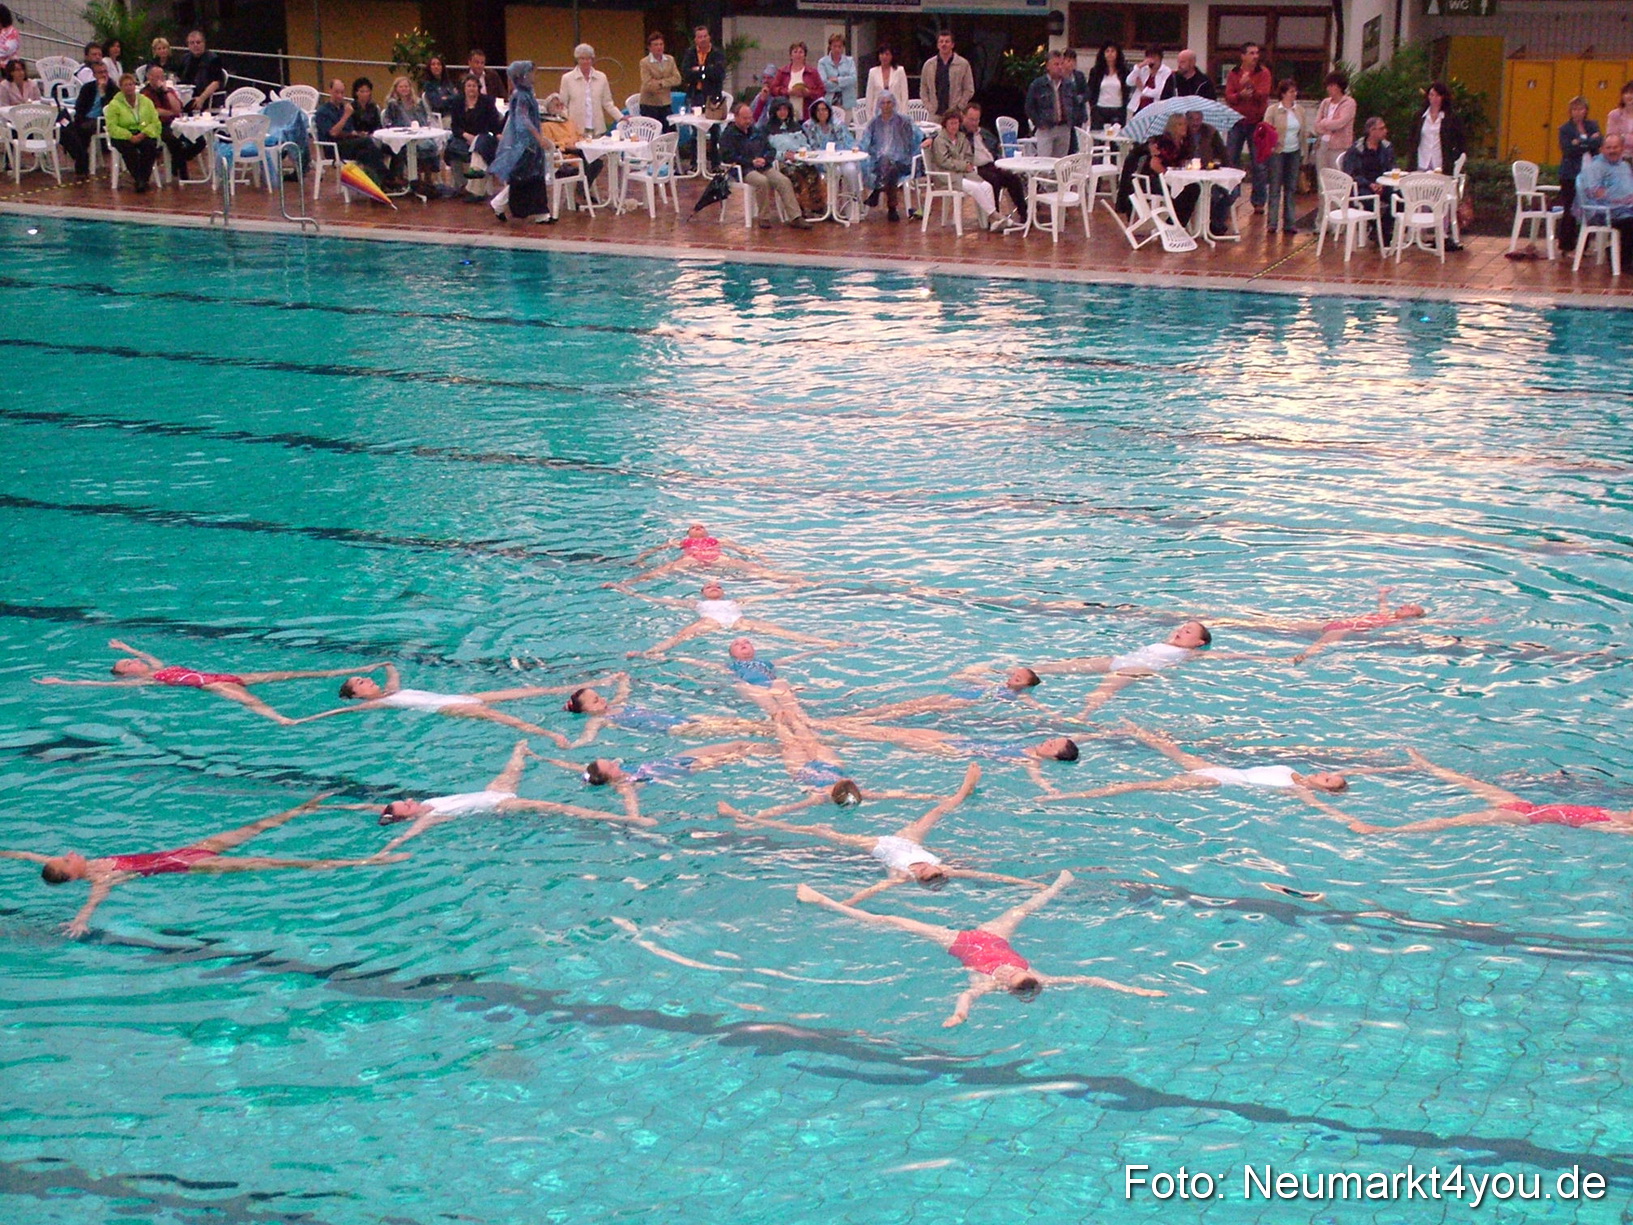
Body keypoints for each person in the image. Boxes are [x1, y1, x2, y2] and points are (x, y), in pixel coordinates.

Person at [1, 794, 404, 938]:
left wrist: (11, 854)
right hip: (188, 866)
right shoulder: (102, 877)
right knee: (276, 861)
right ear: (71, 873)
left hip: (189, 850)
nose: (70, 851)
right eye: (67, 858)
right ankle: (367, 860)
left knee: (256, 827)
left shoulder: (87, 866)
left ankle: (304, 810)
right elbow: (94, 900)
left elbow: (32, 857)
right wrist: (81, 920)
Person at [797, 871, 1162, 1026]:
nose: (1011, 970)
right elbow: (1089, 979)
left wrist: (959, 1016)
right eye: (1016, 970)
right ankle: (1059, 884)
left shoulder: (987, 985)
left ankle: (822, 901)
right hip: (994, 935)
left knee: (893, 920)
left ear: (1005, 986)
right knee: (1025, 908)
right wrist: (1135, 989)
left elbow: (966, 997)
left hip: (959, 942)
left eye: (1010, 975)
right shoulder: (1037, 977)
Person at [722, 764, 1047, 904]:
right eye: (930, 868)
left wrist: (842, 902)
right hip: (911, 841)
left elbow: (872, 891)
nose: (925, 867)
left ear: (918, 878)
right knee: (939, 810)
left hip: (878, 846)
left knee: (815, 830)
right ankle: (965, 788)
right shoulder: (943, 868)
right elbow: (992, 876)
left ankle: (742, 817)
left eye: (924, 871)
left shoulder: (902, 877)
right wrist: (1033, 885)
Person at [354, 740, 658, 851]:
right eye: (406, 806)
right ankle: (625, 819)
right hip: (502, 804)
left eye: (405, 800)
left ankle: (522, 750)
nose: (410, 800)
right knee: (557, 807)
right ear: (408, 817)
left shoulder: (427, 803)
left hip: (493, 792)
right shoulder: (431, 816)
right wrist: (386, 851)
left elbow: (374, 807)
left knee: (515, 761)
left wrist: (345, 807)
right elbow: (406, 836)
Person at [1039, 721, 1353, 817]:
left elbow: (1325, 809)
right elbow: (1354, 775)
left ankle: (1066, 796)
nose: (1322, 773)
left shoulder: (1300, 790)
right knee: (1169, 748)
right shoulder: (1291, 770)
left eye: (1327, 779)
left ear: (1323, 789)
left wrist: (1355, 822)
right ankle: (1132, 729)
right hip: (1223, 770)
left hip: (1217, 783)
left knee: (1143, 785)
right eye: (1328, 773)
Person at [295, 662, 609, 743]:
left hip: (456, 698)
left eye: (363, 678)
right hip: (446, 706)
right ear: (357, 696)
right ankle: (552, 735)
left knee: (526, 692)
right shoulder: (375, 704)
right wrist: (300, 721)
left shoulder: (390, 692)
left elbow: (392, 668)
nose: (367, 680)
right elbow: (336, 711)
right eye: (360, 683)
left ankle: (584, 686)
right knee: (501, 717)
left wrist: (381, 664)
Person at [1349, 749, 1633, 837]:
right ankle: (1427, 766)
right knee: (1469, 782)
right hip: (1525, 805)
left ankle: (1383, 830)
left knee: (1452, 822)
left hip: (1524, 818)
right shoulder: (1616, 814)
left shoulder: (1614, 825)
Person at [549, 741, 773, 824]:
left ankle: (780, 748)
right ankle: (787, 753)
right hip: (685, 770)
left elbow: (575, 767)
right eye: (611, 766)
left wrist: (543, 758)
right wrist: (638, 820)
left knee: (737, 744)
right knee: (741, 753)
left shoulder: (616, 774)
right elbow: (632, 810)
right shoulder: (625, 786)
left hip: (675, 759)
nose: (615, 763)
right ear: (609, 777)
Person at [1034, 621, 1216, 716]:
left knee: (1108, 685)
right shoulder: (1166, 643)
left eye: (1188, 631)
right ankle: (1028, 670)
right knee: (1075, 664)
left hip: (1140, 668)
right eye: (1182, 628)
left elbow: (1220, 655)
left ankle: (1083, 714)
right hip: (1123, 660)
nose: (1181, 631)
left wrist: (1238, 656)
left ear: (1199, 642)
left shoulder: (1189, 653)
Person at [622, 581, 845, 659]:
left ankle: (827, 643)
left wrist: (794, 587)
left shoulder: (736, 601)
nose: (714, 588)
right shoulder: (695, 604)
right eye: (709, 587)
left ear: (723, 591)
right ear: (702, 593)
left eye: (718, 586)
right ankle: (648, 653)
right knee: (679, 636)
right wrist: (624, 590)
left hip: (739, 620)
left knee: (781, 631)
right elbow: (656, 599)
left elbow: (772, 596)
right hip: (710, 621)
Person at [560, 673, 769, 748]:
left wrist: (623, 679)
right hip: (674, 729)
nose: (603, 700)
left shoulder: (615, 706)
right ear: (585, 710)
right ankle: (771, 730)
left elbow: (624, 692)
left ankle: (769, 726)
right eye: (596, 701)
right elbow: (587, 738)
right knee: (733, 730)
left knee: (734, 721)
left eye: (600, 696)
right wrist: (569, 745)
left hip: (679, 718)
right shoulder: (598, 720)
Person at [621, 523, 806, 585]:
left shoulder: (719, 541)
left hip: (718, 558)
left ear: (707, 532)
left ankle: (794, 579)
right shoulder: (680, 542)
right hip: (690, 558)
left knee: (752, 568)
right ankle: (628, 583)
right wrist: (640, 560)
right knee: (663, 569)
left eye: (701, 527)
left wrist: (763, 559)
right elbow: (655, 550)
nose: (698, 528)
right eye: (693, 527)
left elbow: (743, 550)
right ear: (688, 533)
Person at [718, 102, 806, 228]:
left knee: (783, 181)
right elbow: (728, 156)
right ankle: (764, 217)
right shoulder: (728, 135)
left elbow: (770, 149)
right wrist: (751, 161)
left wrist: (765, 159)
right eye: (744, 118)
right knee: (762, 181)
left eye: (750, 118)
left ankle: (795, 216)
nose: (748, 121)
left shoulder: (756, 131)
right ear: (736, 117)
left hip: (763, 166)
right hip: (743, 169)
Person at [489, 60, 554, 224]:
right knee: (523, 177)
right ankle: (501, 204)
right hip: (524, 143)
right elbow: (523, 119)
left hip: (531, 143)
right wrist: (538, 137)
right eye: (532, 73)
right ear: (523, 75)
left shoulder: (527, 93)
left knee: (533, 176)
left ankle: (541, 212)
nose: (534, 76)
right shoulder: (521, 96)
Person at [927, 108, 1000, 229]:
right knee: (975, 188)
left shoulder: (961, 137)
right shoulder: (940, 140)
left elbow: (968, 155)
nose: (954, 126)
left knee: (987, 186)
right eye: (951, 123)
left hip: (964, 173)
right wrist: (963, 165)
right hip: (947, 177)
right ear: (945, 124)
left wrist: (967, 164)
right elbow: (943, 161)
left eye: (956, 123)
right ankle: (995, 216)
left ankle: (989, 222)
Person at [1411, 81, 1466, 235]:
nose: (1434, 99)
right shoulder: (1420, 117)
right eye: (1431, 95)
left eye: (1437, 95)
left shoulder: (1450, 118)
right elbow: (1413, 139)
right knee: (1420, 196)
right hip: (1422, 160)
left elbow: (1460, 141)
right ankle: (1419, 230)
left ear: (1443, 97)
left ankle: (1442, 232)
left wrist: (1454, 158)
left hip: (1440, 163)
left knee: (1441, 198)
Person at [312, 78, 391, 183]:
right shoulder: (323, 111)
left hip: (348, 143)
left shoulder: (343, 108)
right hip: (333, 147)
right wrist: (346, 116)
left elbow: (350, 130)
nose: (340, 96)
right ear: (330, 91)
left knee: (367, 153)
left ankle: (380, 185)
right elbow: (333, 133)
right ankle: (389, 177)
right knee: (367, 143)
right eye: (336, 92)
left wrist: (358, 134)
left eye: (342, 93)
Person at [1224, 41, 1271, 213]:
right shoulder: (1234, 73)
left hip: (1256, 122)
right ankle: (1231, 197)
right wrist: (1240, 95)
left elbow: (1263, 95)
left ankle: (1258, 201)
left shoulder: (1263, 73)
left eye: (1257, 53)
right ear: (1242, 56)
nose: (1255, 56)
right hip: (1237, 121)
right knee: (1231, 160)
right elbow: (1229, 96)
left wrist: (1249, 84)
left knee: (1259, 163)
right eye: (1251, 53)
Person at [963, 102, 1027, 225]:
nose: (974, 123)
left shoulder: (984, 133)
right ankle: (995, 218)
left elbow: (995, 145)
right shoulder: (960, 133)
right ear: (964, 117)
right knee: (994, 180)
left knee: (1013, 178)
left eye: (976, 120)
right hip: (975, 168)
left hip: (991, 164)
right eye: (971, 119)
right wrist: (929, 139)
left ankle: (1024, 214)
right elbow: (942, 133)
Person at [859, 91, 916, 222]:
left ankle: (877, 190)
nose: (886, 106)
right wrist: (858, 149)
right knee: (889, 165)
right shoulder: (874, 123)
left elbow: (915, 136)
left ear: (894, 103)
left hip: (902, 160)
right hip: (879, 163)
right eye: (883, 103)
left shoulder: (903, 121)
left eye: (889, 102)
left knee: (891, 163)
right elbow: (865, 141)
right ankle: (892, 208)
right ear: (879, 105)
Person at [1342, 116, 1398, 244]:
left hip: (1383, 184)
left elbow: (1392, 167)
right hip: (1362, 185)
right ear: (1372, 131)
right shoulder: (1356, 149)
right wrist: (1369, 184)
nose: (1385, 131)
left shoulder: (1387, 147)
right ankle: (1382, 232)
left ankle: (1381, 230)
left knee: (1400, 198)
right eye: (1381, 128)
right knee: (1369, 201)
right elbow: (1351, 173)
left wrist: (1384, 183)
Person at [1576, 132, 1633, 255]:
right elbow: (1595, 193)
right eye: (1608, 148)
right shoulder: (1596, 167)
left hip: (1626, 209)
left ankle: (1614, 252)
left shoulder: (1625, 165)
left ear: (1622, 148)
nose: (1612, 151)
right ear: (1602, 149)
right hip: (1603, 212)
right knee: (1630, 222)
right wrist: (1622, 200)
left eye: (1615, 147)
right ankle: (1623, 259)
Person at [1557, 96, 1602, 253]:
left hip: (1590, 173)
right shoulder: (1565, 129)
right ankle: (1566, 245)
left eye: (1581, 109)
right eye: (1574, 109)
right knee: (1570, 209)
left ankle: (1584, 245)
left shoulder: (1592, 125)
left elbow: (1598, 143)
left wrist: (1580, 142)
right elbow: (1568, 150)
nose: (1578, 112)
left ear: (1586, 110)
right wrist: (1589, 142)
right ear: (1570, 111)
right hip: (1570, 174)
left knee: (1588, 209)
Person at [1179, 108, 1233, 236]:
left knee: (1232, 192)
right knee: (1212, 194)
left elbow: (1223, 154)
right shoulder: (1182, 133)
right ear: (1187, 119)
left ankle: (1215, 222)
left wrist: (1218, 166)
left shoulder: (1210, 132)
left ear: (1202, 119)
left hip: (1210, 173)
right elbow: (1178, 157)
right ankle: (1214, 226)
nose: (1195, 123)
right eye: (1191, 119)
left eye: (1198, 119)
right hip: (1189, 177)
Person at [104, 72, 161, 190]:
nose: (129, 87)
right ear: (121, 88)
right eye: (125, 85)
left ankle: (143, 179)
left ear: (135, 86)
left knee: (150, 146)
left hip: (143, 132)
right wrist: (129, 136)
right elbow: (112, 126)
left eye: (131, 84)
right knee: (129, 150)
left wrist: (143, 133)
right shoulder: (114, 105)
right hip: (122, 135)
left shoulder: (146, 101)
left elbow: (155, 122)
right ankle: (139, 179)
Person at [446, 73, 503, 189]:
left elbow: (494, 123)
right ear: (464, 88)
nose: (471, 88)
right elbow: (455, 126)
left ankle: (476, 188)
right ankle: (461, 184)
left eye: (474, 86)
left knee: (480, 147)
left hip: (482, 137)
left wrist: (498, 135)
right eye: (469, 86)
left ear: (478, 88)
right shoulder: (457, 102)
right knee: (452, 151)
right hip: (463, 137)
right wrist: (466, 135)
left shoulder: (487, 102)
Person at [382, 76, 440, 187]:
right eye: (401, 87)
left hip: (418, 133)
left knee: (430, 144)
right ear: (396, 88)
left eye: (406, 86)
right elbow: (389, 122)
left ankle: (428, 177)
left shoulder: (417, 103)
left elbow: (424, 120)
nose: (404, 89)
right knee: (413, 147)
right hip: (402, 136)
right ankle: (415, 178)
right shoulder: (393, 104)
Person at [1263, 78, 1302, 234]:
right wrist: (1272, 144)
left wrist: (1304, 151)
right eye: (1291, 91)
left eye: (1295, 91)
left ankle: (1290, 223)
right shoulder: (1273, 110)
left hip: (1294, 151)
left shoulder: (1299, 110)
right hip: (1277, 152)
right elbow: (1265, 130)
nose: (1294, 94)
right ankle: (1272, 222)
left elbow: (1303, 132)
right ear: (1283, 93)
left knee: (1291, 188)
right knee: (1275, 187)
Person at [64, 60, 114, 176]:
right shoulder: (87, 88)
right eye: (100, 73)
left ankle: (81, 161)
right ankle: (81, 156)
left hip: (102, 121)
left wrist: (102, 93)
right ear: (94, 75)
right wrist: (79, 119)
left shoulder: (112, 88)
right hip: (85, 119)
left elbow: (110, 110)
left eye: (105, 72)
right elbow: (79, 107)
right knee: (65, 130)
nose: (103, 75)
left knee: (81, 131)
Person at [560, 44, 620, 140]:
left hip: (597, 129)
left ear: (592, 60)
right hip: (576, 130)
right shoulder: (567, 78)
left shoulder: (601, 77)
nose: (585, 61)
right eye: (582, 58)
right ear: (577, 60)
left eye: (588, 59)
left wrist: (620, 117)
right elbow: (563, 105)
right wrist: (567, 124)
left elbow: (608, 103)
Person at [1025, 51, 1076, 161]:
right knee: (1044, 161)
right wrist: (1039, 123)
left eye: (1061, 64)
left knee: (1060, 163)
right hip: (1046, 128)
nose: (1060, 67)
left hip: (1064, 127)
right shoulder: (1038, 84)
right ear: (1048, 66)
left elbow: (1075, 104)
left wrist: (1071, 121)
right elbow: (1029, 107)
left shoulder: (1068, 84)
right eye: (1056, 64)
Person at [920, 30, 973, 120]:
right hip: (935, 114)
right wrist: (929, 106)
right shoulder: (929, 65)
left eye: (947, 41)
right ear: (937, 45)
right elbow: (923, 88)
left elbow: (969, 89)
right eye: (941, 42)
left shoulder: (963, 64)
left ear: (952, 45)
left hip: (955, 114)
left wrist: (959, 106)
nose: (944, 44)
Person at [768, 41, 823, 124]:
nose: (798, 55)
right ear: (791, 55)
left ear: (805, 55)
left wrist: (808, 93)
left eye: (801, 52)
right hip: (785, 116)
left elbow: (822, 91)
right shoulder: (782, 72)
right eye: (795, 52)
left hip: (807, 116)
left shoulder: (813, 72)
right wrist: (788, 92)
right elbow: (773, 89)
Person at [1314, 70, 1354, 174]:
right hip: (1323, 144)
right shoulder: (1325, 102)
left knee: (1336, 175)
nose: (1328, 89)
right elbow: (1317, 125)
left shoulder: (1349, 103)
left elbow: (1340, 123)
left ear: (1340, 87)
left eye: (1331, 86)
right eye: (1327, 86)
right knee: (1322, 175)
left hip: (1339, 146)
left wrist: (1324, 122)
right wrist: (1326, 125)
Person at [177, 29, 225, 113]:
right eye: (192, 43)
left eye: (198, 42)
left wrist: (201, 98)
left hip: (207, 98)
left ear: (204, 43)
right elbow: (178, 78)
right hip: (187, 96)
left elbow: (216, 83)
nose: (195, 45)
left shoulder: (213, 59)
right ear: (188, 45)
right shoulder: (185, 59)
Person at [636, 31, 680, 124]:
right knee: (652, 129)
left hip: (666, 102)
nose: (659, 47)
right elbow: (648, 84)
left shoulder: (670, 60)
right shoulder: (644, 62)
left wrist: (661, 83)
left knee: (670, 129)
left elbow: (677, 79)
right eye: (656, 45)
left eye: (661, 44)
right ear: (650, 47)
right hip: (649, 103)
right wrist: (668, 81)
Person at [1086, 41, 1130, 130]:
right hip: (1099, 109)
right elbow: (1091, 89)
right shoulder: (1096, 71)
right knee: (1098, 135)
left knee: (1116, 136)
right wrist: (1093, 106)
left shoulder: (1124, 71)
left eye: (1112, 51)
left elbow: (1127, 89)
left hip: (1118, 109)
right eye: (1107, 51)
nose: (1110, 54)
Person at [680, 25, 725, 109]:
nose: (703, 39)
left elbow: (719, 74)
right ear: (695, 40)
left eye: (705, 36)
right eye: (700, 37)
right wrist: (707, 71)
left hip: (712, 96)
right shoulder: (690, 53)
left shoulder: (717, 53)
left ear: (709, 37)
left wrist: (700, 69)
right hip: (695, 95)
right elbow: (686, 74)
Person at [864, 44, 908, 123]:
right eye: (882, 54)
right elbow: (869, 97)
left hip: (896, 113)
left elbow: (904, 96)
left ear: (892, 56)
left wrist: (903, 117)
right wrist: (870, 119)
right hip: (877, 114)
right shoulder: (873, 72)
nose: (884, 57)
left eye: (887, 54)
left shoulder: (900, 71)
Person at [1127, 46, 1170, 117]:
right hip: (1139, 107)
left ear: (1160, 58)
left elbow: (1159, 93)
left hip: (1155, 109)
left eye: (1154, 57)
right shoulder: (1144, 69)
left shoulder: (1166, 72)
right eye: (1149, 57)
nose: (1151, 60)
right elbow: (1129, 82)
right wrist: (1138, 67)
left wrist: (1143, 89)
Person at [818, 34, 857, 113]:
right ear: (830, 47)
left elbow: (853, 79)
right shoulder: (822, 62)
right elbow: (824, 84)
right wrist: (845, 84)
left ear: (843, 47)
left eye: (840, 47)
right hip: (829, 103)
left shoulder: (850, 61)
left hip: (848, 103)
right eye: (834, 46)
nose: (837, 49)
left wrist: (838, 80)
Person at [1605, 81, 1633, 145]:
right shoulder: (1614, 115)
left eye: (1632, 93)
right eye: (1626, 93)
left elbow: (1619, 138)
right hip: (1620, 150)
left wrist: (1623, 136)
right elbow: (1611, 138)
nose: (1629, 96)